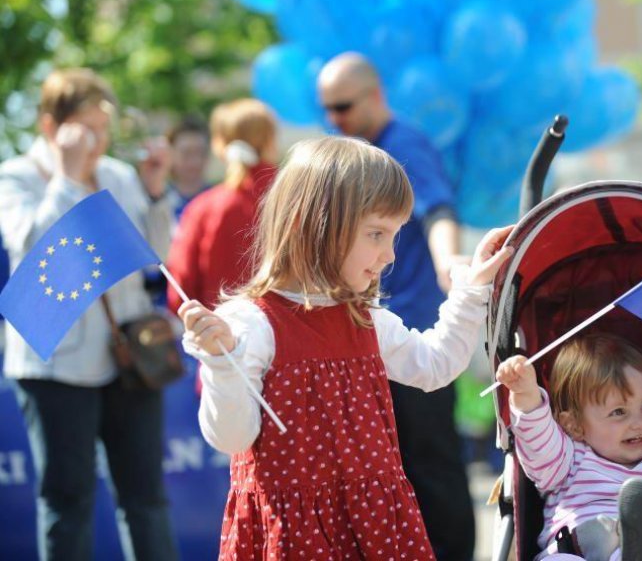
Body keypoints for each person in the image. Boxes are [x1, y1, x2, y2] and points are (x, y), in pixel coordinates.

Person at [177, 136, 513, 559]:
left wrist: (472, 289)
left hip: (374, 526)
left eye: (394, 235)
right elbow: (231, 436)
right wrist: (221, 364)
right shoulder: (252, 323)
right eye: (376, 233)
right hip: (294, 536)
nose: (389, 254)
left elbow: (434, 365)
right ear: (311, 223)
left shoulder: (364, 318)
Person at [0, 68, 177, 559]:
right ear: (51, 125)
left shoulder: (119, 175)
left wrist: (157, 191)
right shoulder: (15, 177)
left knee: (146, 497)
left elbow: (157, 256)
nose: (97, 140)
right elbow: (34, 247)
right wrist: (66, 177)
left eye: (103, 127)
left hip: (128, 356)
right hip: (53, 363)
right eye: (85, 127)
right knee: (67, 500)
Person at [317, 51, 473, 560]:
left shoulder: (402, 145)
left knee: (430, 461)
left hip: (414, 323)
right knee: (390, 465)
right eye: (327, 109)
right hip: (371, 327)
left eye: (342, 106)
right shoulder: (355, 156)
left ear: (375, 95)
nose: (334, 119)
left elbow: (437, 209)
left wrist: (449, 261)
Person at [496, 333, 642, 561]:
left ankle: (636, 551)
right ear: (574, 425)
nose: (639, 422)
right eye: (619, 412)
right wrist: (526, 394)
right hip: (576, 548)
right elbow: (537, 440)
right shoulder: (568, 459)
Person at [166, 98, 278, 314]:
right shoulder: (301, 197)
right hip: (292, 338)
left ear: (219, 145)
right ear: (270, 139)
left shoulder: (205, 208)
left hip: (223, 339)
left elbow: (180, 294)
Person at [165, 114, 212, 220]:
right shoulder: (158, 201)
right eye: (186, 153)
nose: (195, 161)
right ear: (171, 153)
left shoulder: (219, 201)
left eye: (201, 153)